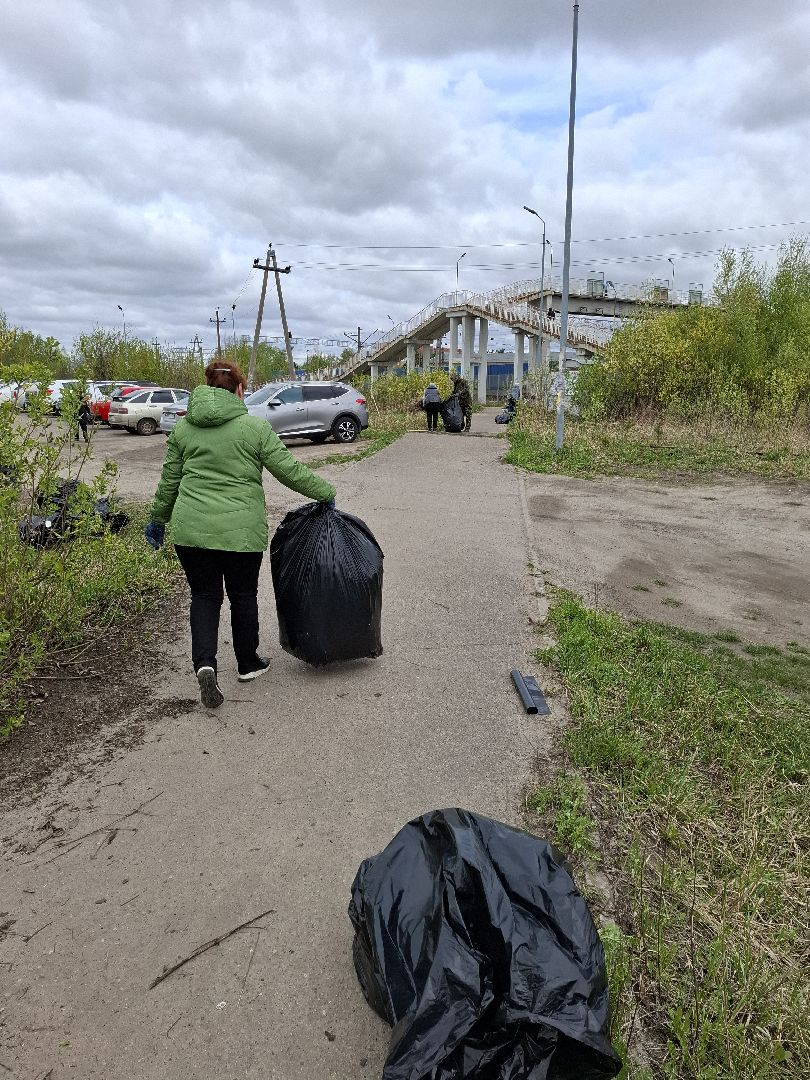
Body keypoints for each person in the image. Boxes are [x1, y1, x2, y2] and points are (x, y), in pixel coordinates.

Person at [144, 360, 336, 710]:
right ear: (239, 390)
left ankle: (205, 663)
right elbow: (288, 470)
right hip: (241, 532)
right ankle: (248, 663)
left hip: (191, 532)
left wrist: (158, 519)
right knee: (243, 596)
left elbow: (169, 481)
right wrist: (324, 491)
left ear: (205, 388)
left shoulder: (184, 431)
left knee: (204, 596)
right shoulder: (254, 429)